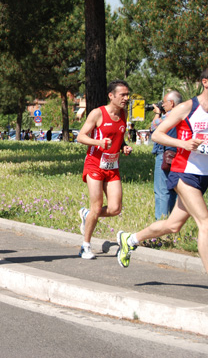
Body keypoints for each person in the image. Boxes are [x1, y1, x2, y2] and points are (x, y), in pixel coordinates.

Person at [117, 69, 208, 273]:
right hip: (185, 172)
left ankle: (130, 239)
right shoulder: (187, 107)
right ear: (205, 82)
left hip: (204, 174)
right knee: (205, 222)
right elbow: (157, 135)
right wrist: (183, 143)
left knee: (173, 226)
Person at [76, 80, 133, 259]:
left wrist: (124, 146)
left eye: (127, 95)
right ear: (111, 96)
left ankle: (87, 214)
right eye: (122, 95)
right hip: (94, 163)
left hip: (112, 165)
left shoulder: (123, 114)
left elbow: (118, 137)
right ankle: (85, 246)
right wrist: (98, 142)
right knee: (97, 206)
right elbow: (80, 137)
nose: (126, 98)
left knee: (116, 208)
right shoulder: (98, 113)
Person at [150, 91, 182, 220]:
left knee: (162, 190)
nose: (163, 105)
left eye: (164, 103)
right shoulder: (185, 114)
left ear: (171, 103)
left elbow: (154, 127)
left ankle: (161, 223)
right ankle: (172, 221)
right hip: (179, 153)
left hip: (165, 153)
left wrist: (157, 113)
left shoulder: (170, 115)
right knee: (174, 189)